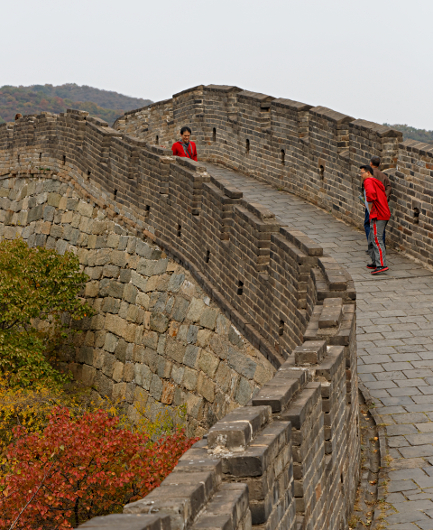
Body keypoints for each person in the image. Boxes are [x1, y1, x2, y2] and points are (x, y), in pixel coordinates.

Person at [360, 165, 391, 275]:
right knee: (371, 238)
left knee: (377, 239)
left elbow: (371, 196)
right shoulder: (376, 181)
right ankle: (375, 261)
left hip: (379, 214)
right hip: (382, 213)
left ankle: (381, 265)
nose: (361, 175)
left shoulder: (368, 181)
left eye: (362, 173)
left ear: (368, 172)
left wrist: (369, 207)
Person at [363, 156, 392, 245]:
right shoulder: (383, 176)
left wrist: (367, 202)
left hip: (372, 204)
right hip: (382, 205)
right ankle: (381, 244)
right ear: (379, 165)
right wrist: (384, 198)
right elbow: (389, 188)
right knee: (380, 226)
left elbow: (367, 191)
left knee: (368, 224)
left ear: (371, 163)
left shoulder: (368, 175)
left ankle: (371, 244)